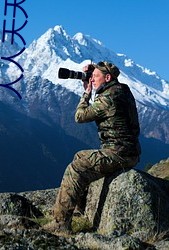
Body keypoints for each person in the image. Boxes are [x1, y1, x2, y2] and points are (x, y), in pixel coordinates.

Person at [43, 61, 141, 233]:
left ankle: (60, 224)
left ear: (108, 78)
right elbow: (104, 81)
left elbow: (79, 117)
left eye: (96, 77)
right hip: (128, 151)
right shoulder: (122, 90)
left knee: (76, 168)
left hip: (118, 153)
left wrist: (86, 93)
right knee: (80, 156)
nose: (92, 79)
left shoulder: (108, 99)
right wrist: (94, 72)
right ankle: (80, 210)